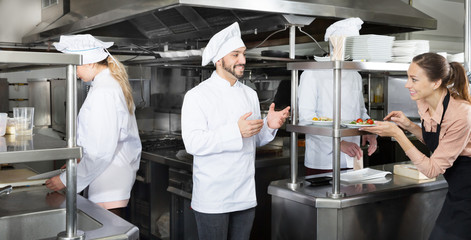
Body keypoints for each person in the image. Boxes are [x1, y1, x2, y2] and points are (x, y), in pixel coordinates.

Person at [181, 22, 290, 240]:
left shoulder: (249, 94)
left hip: (244, 194)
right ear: (219, 60)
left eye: (243, 54)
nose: (243, 60)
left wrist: (269, 125)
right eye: (235, 55)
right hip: (213, 197)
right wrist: (235, 131)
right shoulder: (197, 96)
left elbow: (254, 139)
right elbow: (193, 143)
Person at [361, 52, 471, 240]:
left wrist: (398, 134)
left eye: (414, 79)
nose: (407, 85)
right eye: (408, 77)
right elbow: (437, 141)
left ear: (435, 83)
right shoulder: (424, 101)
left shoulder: (462, 114)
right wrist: (409, 126)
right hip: (458, 188)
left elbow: (432, 169)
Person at [45, 34, 142, 217]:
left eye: (75, 66)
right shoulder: (108, 84)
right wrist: (78, 162)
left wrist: (67, 180)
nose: (74, 72)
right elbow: (101, 140)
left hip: (108, 180)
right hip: (110, 175)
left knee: (108, 233)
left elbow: (100, 151)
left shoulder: (103, 91)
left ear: (90, 63)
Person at [298, 17, 377, 175]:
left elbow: (360, 112)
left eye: (354, 44)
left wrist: (369, 130)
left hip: (353, 158)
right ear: (333, 42)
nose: (352, 49)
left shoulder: (355, 75)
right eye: (348, 43)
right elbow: (306, 118)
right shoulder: (312, 73)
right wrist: (339, 143)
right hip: (322, 160)